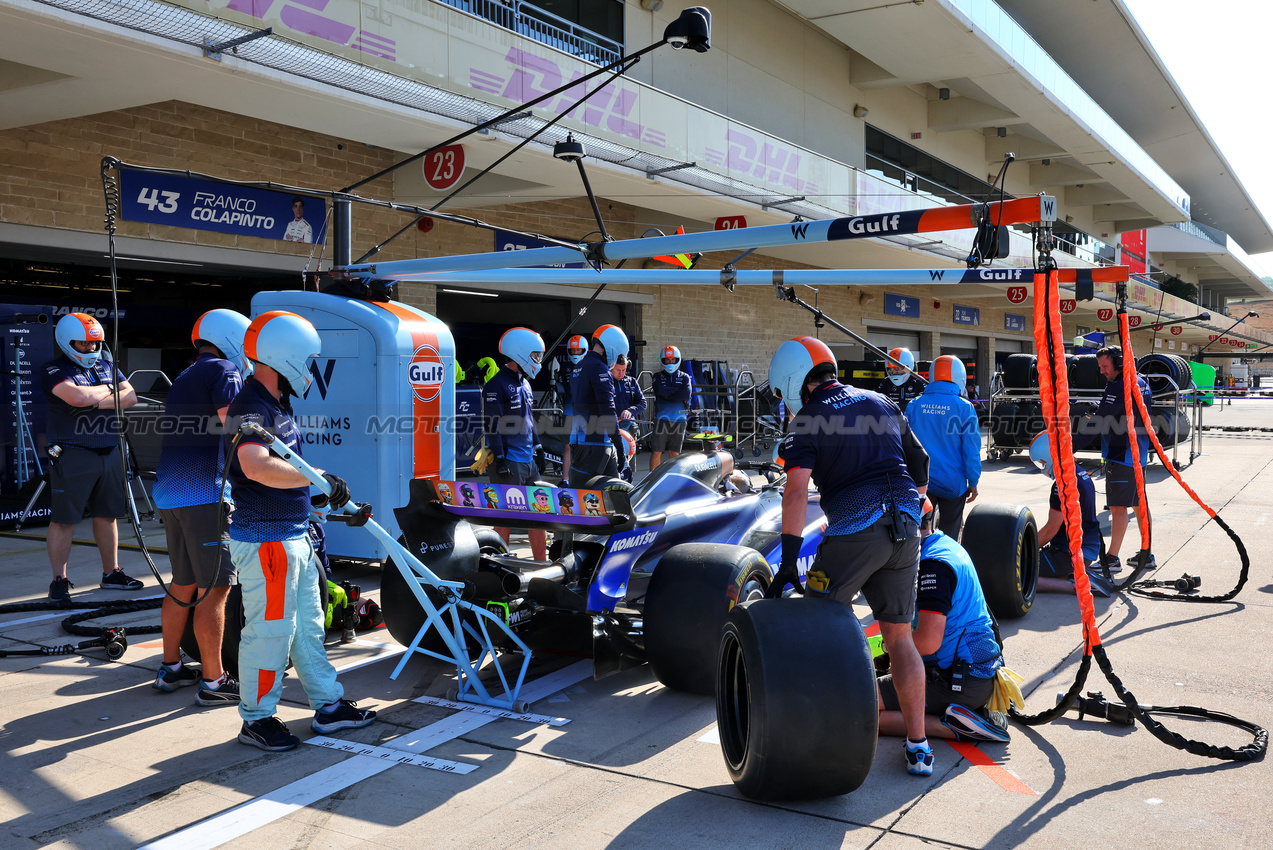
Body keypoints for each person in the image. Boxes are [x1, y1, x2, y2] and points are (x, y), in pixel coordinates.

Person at [768, 336, 936, 776]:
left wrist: (788, 560)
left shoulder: (808, 417)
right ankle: (919, 748)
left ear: (792, 380)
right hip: (906, 527)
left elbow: (796, 489)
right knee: (900, 637)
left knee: (818, 629)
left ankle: (818, 735)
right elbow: (920, 463)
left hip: (856, 528)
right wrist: (914, 504)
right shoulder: (881, 400)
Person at [225, 310, 376, 751]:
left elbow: (284, 471)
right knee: (269, 633)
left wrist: (313, 499)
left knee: (308, 627)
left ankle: (328, 707)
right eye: (306, 359)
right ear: (284, 355)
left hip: (293, 534)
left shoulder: (276, 405)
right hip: (266, 540)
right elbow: (254, 466)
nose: (309, 369)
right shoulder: (250, 406)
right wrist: (316, 477)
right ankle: (256, 718)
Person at [152, 309, 251, 703]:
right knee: (217, 589)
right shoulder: (225, 370)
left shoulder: (186, 373)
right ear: (229, 338)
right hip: (205, 496)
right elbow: (238, 430)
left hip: (172, 492)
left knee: (183, 583)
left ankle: (171, 666)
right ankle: (214, 682)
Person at [878, 497, 1010, 744]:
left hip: (957, 680)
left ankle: (953, 726)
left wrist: (889, 648)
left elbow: (927, 643)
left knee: (860, 709)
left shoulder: (932, 567)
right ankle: (969, 713)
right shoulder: (944, 544)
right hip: (975, 675)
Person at [41, 313, 141, 602]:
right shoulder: (53, 368)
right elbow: (76, 398)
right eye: (83, 343)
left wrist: (92, 398)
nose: (90, 349)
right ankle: (59, 580)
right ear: (66, 341)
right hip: (72, 453)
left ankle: (112, 573)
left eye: (94, 343)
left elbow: (131, 397)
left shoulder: (108, 364)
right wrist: (110, 393)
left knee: (107, 515)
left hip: (109, 451)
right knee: (64, 519)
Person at [484, 327, 548, 562]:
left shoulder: (526, 384)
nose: (538, 361)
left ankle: (542, 566)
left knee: (539, 516)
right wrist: (500, 458)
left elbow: (530, 420)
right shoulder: (495, 385)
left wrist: (539, 447)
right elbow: (492, 425)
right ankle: (498, 567)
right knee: (505, 519)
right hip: (509, 462)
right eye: (535, 355)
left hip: (528, 461)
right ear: (519, 352)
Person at [1091, 345, 1154, 573]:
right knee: (1139, 506)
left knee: (1118, 509)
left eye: (1105, 366)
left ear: (1118, 363)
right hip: (1138, 455)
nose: (1102, 371)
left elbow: (1101, 420)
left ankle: (1113, 559)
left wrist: (1071, 446)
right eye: (1100, 367)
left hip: (1121, 456)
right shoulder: (1141, 382)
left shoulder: (1119, 385)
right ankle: (1147, 554)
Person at [1029, 432, 1113, 598]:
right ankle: (1076, 574)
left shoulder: (1062, 483)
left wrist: (1022, 550)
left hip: (1069, 554)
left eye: (1042, 462)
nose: (1043, 468)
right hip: (1086, 550)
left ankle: (1075, 585)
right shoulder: (1079, 472)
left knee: (1015, 574)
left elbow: (1050, 530)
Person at [905, 355, 980, 540]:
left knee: (918, 531)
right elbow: (971, 450)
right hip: (952, 483)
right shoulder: (965, 407)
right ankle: (944, 564)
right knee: (950, 533)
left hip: (920, 481)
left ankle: (918, 564)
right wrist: (973, 481)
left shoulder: (914, 404)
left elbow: (903, 445)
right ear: (960, 377)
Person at [567, 324, 629, 487]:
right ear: (613, 347)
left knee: (611, 492)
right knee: (591, 495)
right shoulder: (599, 368)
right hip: (594, 444)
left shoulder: (578, 366)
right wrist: (620, 446)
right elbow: (607, 410)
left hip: (585, 440)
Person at [649, 344, 692, 471]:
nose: (670, 362)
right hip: (661, 419)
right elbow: (660, 391)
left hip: (679, 420)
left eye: (673, 359)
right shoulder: (657, 376)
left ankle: (673, 479)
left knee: (674, 453)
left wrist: (668, 393)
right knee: (657, 451)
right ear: (663, 360)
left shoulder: (685, 377)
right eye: (667, 360)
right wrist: (677, 393)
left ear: (677, 359)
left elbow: (686, 394)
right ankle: (652, 480)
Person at [558, 335, 587, 484]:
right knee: (569, 446)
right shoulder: (566, 368)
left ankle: (583, 477)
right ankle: (565, 479)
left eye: (578, 350)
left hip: (586, 414)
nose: (576, 353)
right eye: (573, 350)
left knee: (586, 445)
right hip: (570, 411)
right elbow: (572, 390)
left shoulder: (591, 366)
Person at [876, 347, 925, 412]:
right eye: (892, 368)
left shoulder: (918, 382)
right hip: (893, 419)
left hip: (912, 420)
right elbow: (878, 404)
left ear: (909, 367)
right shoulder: (885, 383)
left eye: (899, 368)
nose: (896, 371)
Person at [612, 354, 647, 429]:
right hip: (609, 425)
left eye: (623, 370)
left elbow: (643, 403)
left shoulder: (632, 382)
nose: (621, 373)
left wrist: (630, 411)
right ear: (611, 367)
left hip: (628, 425)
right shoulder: (605, 382)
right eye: (618, 370)